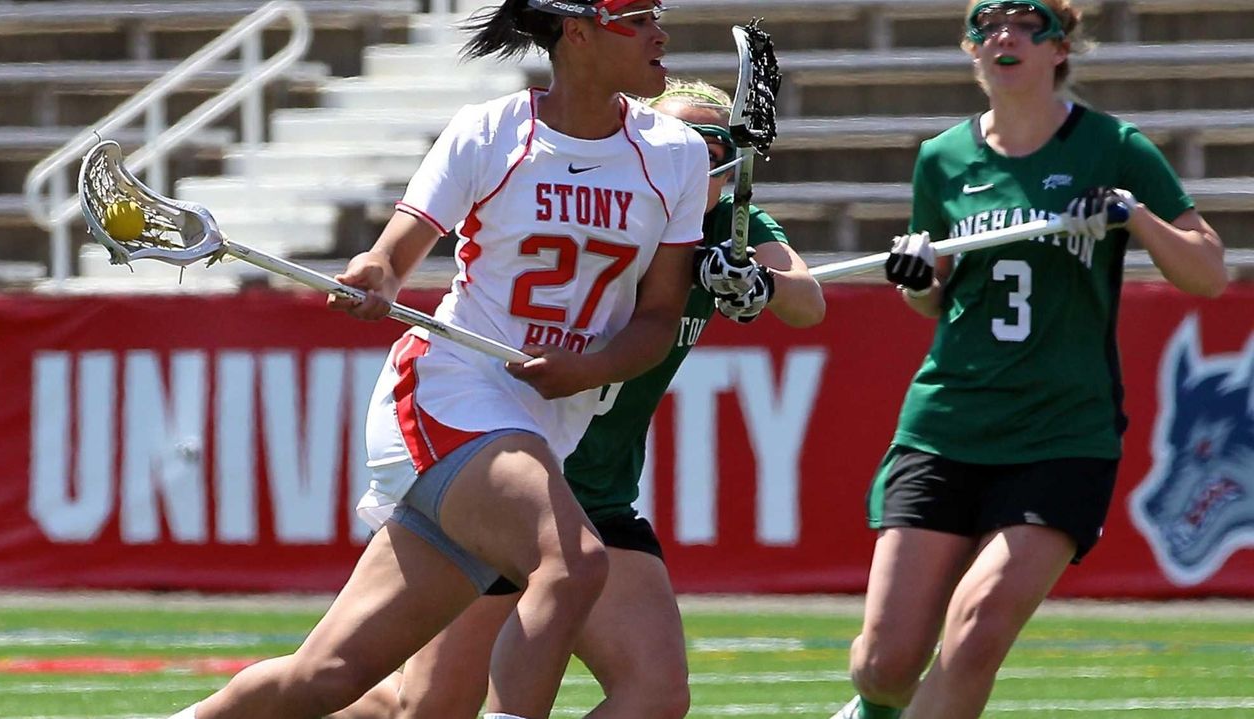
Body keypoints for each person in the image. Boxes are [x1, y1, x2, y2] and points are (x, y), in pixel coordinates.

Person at [165, 2, 711, 719]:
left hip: (544, 423)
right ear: (577, 33)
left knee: (328, 676)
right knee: (571, 561)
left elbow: (657, 318)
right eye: (638, 19)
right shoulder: (490, 131)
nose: (659, 34)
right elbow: (394, 255)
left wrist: (591, 368)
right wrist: (375, 277)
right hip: (450, 392)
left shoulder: (676, 153)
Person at [331, 79, 826, 719]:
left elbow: (806, 300)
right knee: (423, 707)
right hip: (511, 477)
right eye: (685, 141)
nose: (697, 161)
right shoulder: (622, 204)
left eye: (715, 148)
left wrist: (755, 281)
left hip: (601, 492)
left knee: (656, 694)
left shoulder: (731, 229)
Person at [831, 1, 1227, 718]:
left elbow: (1207, 270)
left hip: (1061, 433)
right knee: (883, 666)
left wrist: (1133, 213)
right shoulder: (942, 158)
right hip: (947, 424)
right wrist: (917, 279)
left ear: (1060, 48)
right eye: (989, 26)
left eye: (1026, 24)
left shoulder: (1114, 146)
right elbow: (936, 298)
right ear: (970, 50)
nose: (1005, 38)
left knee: (977, 631)